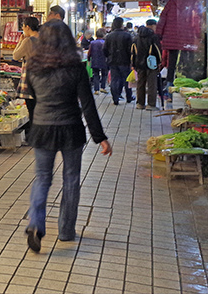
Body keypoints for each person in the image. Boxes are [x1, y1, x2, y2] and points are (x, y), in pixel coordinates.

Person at [22, 21, 112, 252]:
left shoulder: (33, 65)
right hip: (71, 127)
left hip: (42, 127)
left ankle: (35, 223)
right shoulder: (76, 66)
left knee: (42, 178)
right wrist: (99, 136)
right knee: (71, 178)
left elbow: (30, 96)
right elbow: (88, 103)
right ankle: (65, 230)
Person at [130, 24, 163, 110]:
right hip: (151, 64)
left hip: (139, 63)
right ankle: (151, 104)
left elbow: (133, 53)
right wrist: (159, 62)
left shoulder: (136, 38)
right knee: (152, 83)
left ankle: (140, 103)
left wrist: (133, 64)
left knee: (140, 83)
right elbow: (158, 51)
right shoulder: (153, 37)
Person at [105, 17, 134, 105]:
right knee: (126, 79)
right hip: (125, 61)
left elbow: (104, 49)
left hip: (112, 61)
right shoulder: (127, 35)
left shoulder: (109, 36)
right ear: (122, 24)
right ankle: (129, 97)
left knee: (114, 79)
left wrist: (108, 56)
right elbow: (131, 49)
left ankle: (115, 99)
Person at [87, 28, 108, 94]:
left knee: (96, 74)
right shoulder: (104, 42)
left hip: (95, 60)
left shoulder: (92, 43)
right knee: (104, 74)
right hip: (104, 60)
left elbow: (89, 52)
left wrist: (88, 59)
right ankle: (103, 87)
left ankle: (96, 89)